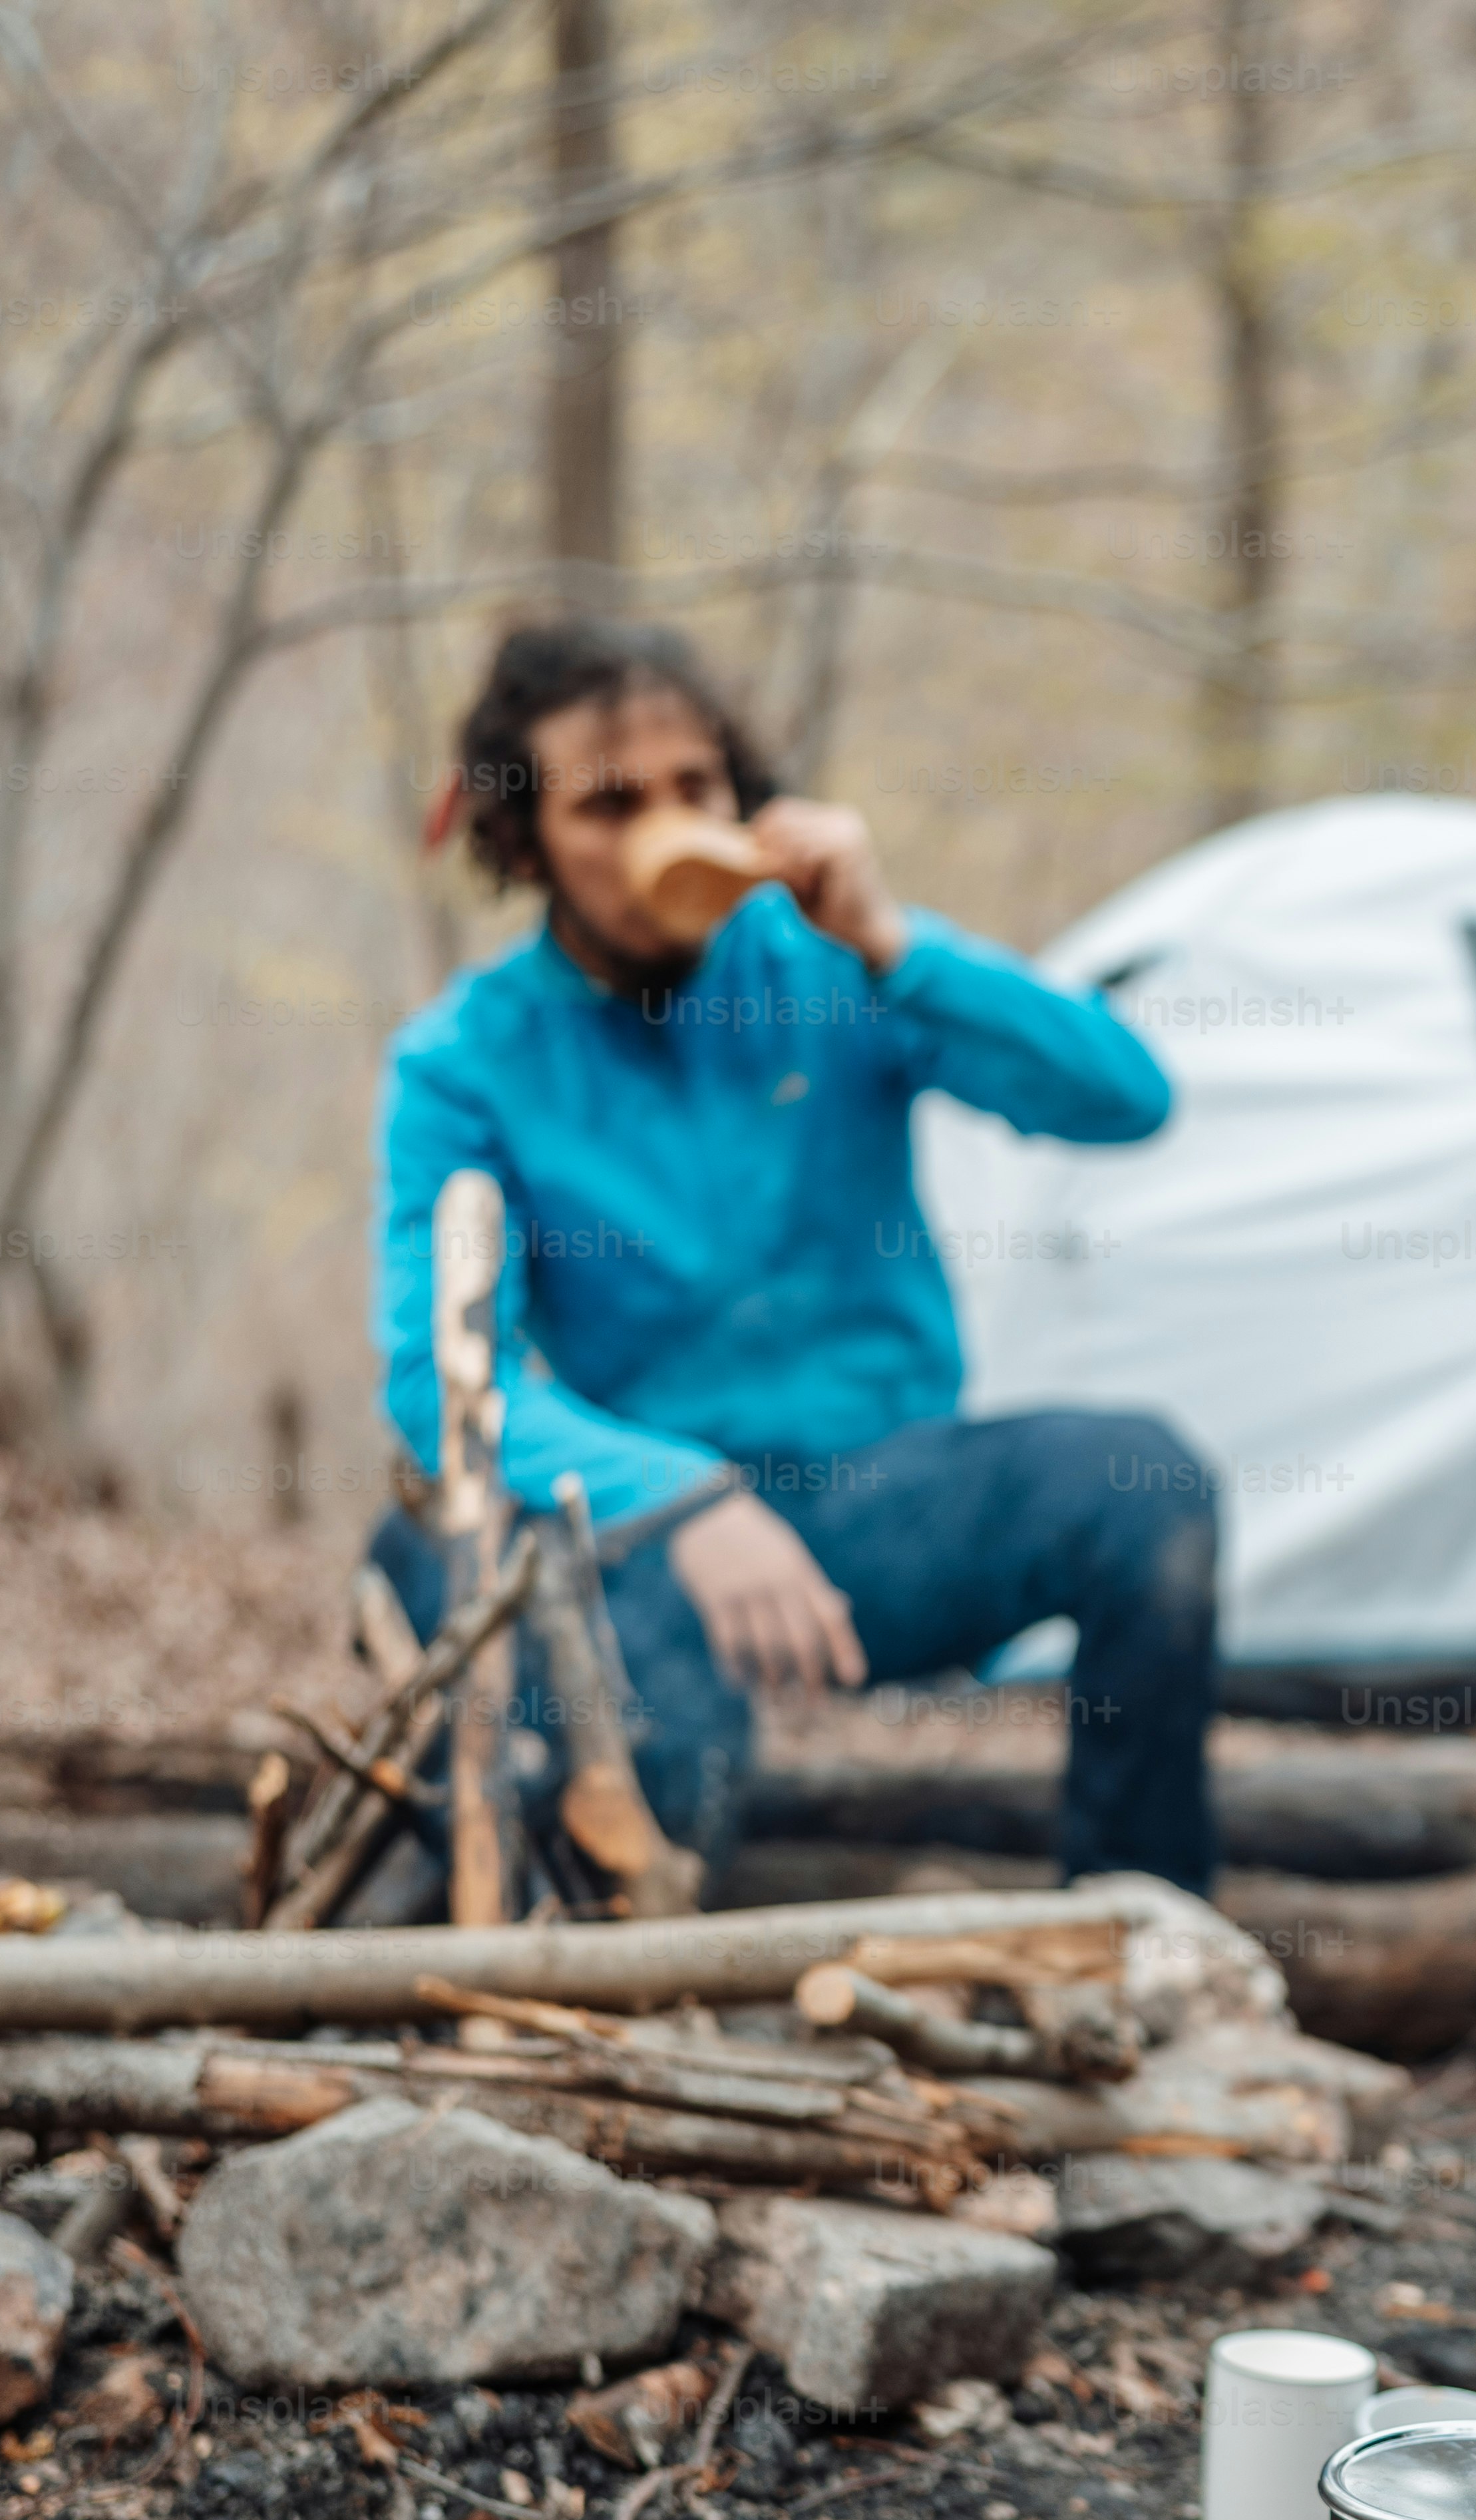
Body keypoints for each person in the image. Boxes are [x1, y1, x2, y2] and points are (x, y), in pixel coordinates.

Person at [371, 618, 1219, 1898]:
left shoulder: (843, 964)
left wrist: (895, 943)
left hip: (879, 1515)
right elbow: (442, 1384)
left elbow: (1125, 1098)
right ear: (522, 833)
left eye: (694, 790)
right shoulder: (466, 1061)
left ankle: (1143, 1924)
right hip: (644, 1547)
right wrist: (683, 1497)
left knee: (1145, 1487)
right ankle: (643, 2014)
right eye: (610, 803)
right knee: (649, 1721)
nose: (664, 825)